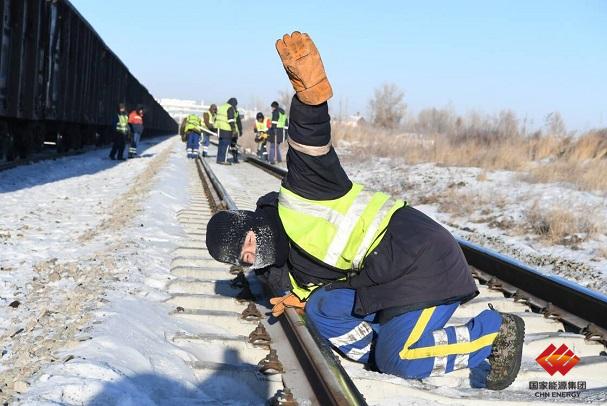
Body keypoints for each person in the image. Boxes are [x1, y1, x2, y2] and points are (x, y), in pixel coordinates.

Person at [205, 32, 524, 390]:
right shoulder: (287, 268)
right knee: (321, 307)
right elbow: (314, 292)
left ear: (252, 221)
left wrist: (309, 97)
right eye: (245, 258)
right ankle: (388, 346)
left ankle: (493, 332)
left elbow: (309, 148)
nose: (252, 255)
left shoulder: (303, 195)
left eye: (247, 242)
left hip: (419, 258)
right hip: (383, 278)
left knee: (398, 359)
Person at [215, 98, 240, 165]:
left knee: (221, 145)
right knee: (226, 145)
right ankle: (223, 160)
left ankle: (219, 159)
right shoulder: (230, 108)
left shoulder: (222, 107)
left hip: (219, 128)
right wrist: (234, 129)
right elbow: (231, 120)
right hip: (226, 129)